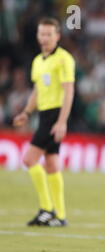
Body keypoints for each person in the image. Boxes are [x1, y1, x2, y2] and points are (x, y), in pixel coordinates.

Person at [13, 17, 75, 227]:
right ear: (38, 35)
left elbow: (69, 91)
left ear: (57, 36)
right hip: (43, 114)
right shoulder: (38, 61)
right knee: (51, 163)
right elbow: (37, 91)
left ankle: (47, 209)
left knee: (29, 159)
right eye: (42, 33)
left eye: (49, 34)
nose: (45, 38)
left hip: (55, 115)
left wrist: (62, 121)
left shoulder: (64, 59)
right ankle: (61, 216)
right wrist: (27, 113)